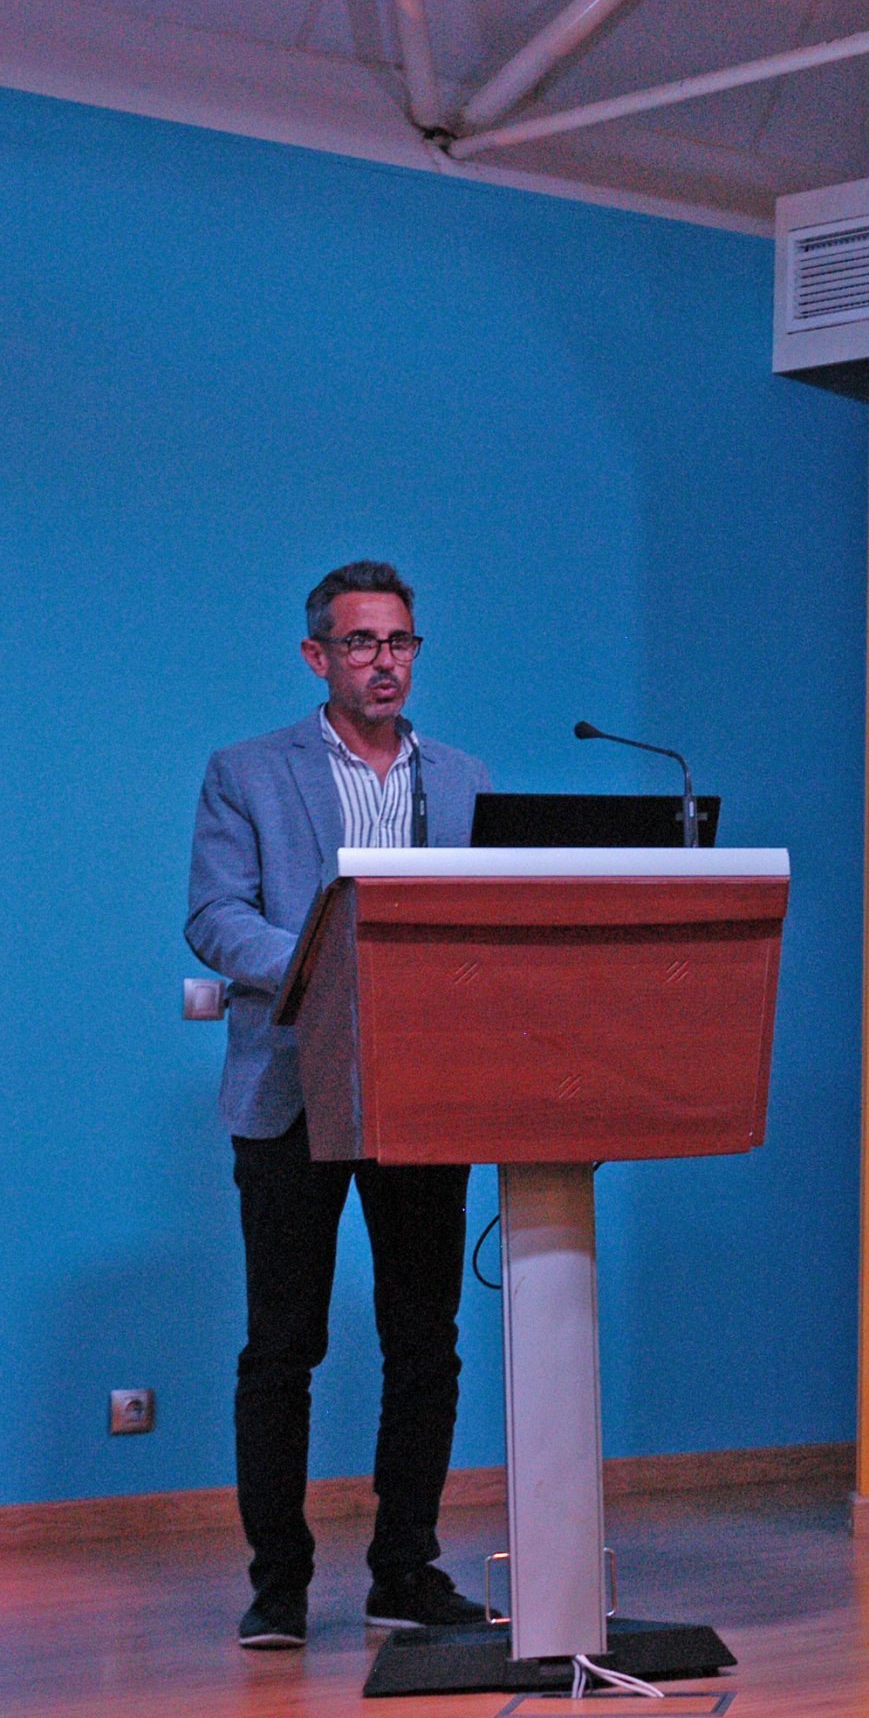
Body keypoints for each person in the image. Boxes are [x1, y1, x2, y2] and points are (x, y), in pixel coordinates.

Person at [186, 561, 493, 1649]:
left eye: (400, 641)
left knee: (425, 1340)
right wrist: (325, 958)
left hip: (423, 1088)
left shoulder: (462, 778)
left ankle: (404, 1570)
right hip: (291, 1086)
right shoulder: (247, 772)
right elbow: (215, 916)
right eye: (361, 642)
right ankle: (278, 1585)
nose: (384, 661)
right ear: (318, 655)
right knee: (283, 1345)